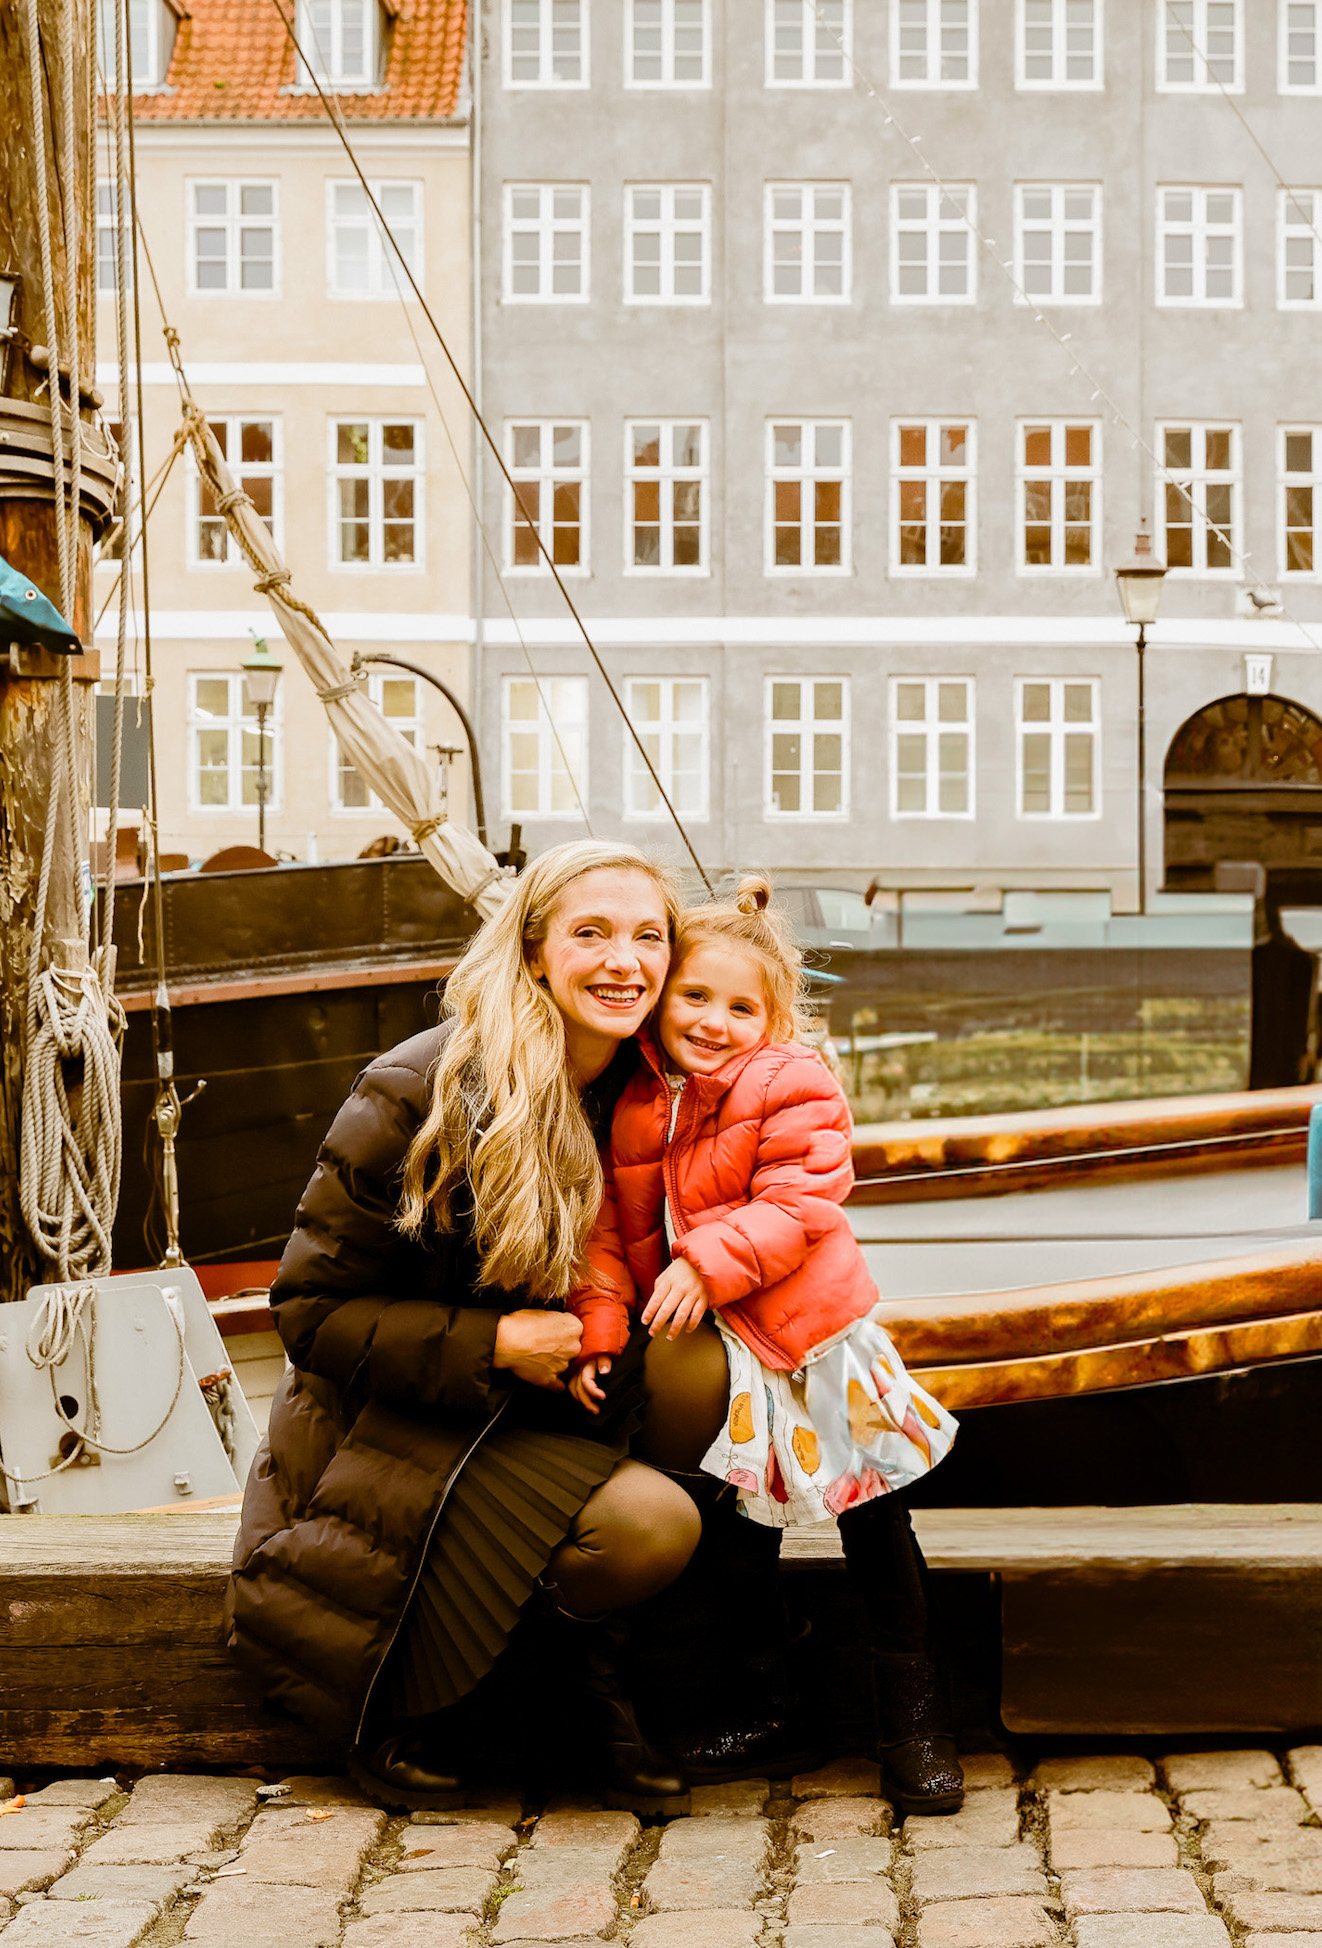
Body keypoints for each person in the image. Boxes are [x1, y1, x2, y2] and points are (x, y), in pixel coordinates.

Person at [225, 840, 732, 1813]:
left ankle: (610, 1673)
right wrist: (495, 1345)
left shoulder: (651, 1091)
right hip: (395, 1430)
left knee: (693, 1363)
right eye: (591, 934)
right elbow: (308, 1311)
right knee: (650, 1523)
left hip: (534, 1407)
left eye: (647, 937)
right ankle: (469, 1695)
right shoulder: (424, 1088)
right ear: (535, 949)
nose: (623, 961)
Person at [567, 875, 966, 1814]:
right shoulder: (629, 1100)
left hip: (814, 1341)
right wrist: (599, 1330)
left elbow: (803, 1197)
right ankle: (777, 1707)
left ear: (774, 1017)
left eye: (741, 1006)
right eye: (694, 997)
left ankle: (915, 1717)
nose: (712, 1020)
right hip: (724, 1362)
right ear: (661, 1001)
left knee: (874, 1522)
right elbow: (605, 1237)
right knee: (737, 1538)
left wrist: (707, 1263)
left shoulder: (792, 1081)